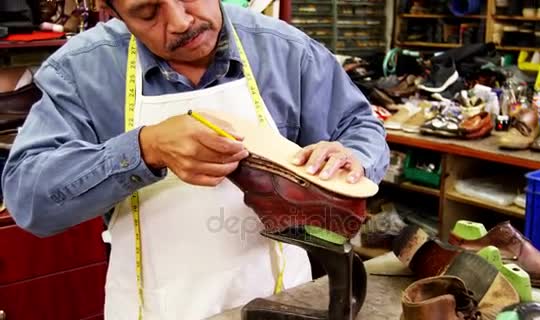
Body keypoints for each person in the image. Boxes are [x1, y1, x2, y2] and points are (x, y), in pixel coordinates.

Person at [1, 0, 390, 319]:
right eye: (148, 12)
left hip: (286, 302)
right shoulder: (81, 72)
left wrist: (350, 158)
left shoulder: (286, 50)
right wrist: (143, 151)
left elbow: (359, 126)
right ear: (113, 11)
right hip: (151, 309)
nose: (180, 22)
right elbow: (29, 200)